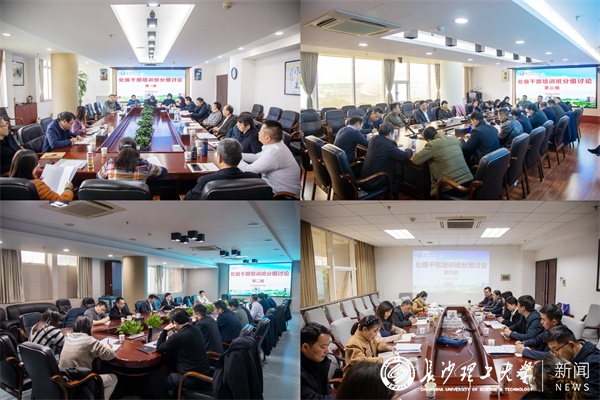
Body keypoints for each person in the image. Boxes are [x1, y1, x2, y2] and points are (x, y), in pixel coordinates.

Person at [151, 309, 212, 399]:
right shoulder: (196, 329)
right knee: (172, 363)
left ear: (175, 323)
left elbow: (159, 348)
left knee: (154, 381)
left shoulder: (178, 336)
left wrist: (164, 331)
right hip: (204, 373)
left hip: (191, 377)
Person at [59, 316, 118, 400]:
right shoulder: (89, 341)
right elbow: (110, 355)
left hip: (64, 378)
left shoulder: (68, 338)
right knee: (113, 378)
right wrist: (108, 347)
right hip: (80, 381)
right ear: (89, 327)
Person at [184, 138, 259, 200]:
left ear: (219, 158)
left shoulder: (206, 181)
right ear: (240, 158)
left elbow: (188, 199)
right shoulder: (255, 179)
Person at [240, 120, 300, 195]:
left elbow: (248, 170)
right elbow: (256, 157)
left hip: (282, 195)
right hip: (272, 187)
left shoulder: (274, 153)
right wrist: (238, 155)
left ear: (267, 138)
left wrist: (231, 158)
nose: (258, 133)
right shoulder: (277, 145)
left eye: (260, 131)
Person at [411, 126, 473, 197]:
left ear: (428, 140)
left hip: (451, 187)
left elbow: (416, 160)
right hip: (469, 181)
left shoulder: (432, 145)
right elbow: (460, 147)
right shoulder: (454, 138)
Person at [360, 122, 413, 198]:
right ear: (390, 134)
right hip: (376, 180)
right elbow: (403, 156)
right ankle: (392, 198)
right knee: (399, 178)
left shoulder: (373, 138)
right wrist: (409, 150)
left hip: (366, 176)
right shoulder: (389, 144)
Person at [546, 325, 600, 399]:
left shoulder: (594, 363)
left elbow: (592, 396)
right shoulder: (572, 352)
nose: (554, 354)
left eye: (555, 350)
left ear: (571, 345)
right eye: (552, 350)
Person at [9, 149, 74, 200]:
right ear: (30, 168)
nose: (38, 166)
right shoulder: (36, 185)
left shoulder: (8, 183)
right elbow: (61, 201)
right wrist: (67, 189)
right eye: (36, 164)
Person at [96, 137, 167, 181]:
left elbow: (98, 177)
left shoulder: (110, 163)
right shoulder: (145, 165)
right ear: (136, 150)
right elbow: (163, 172)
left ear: (119, 151)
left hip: (114, 201)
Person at [300, 322, 334, 399]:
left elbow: (327, 388)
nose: (327, 351)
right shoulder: (298, 375)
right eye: (323, 347)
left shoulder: (319, 362)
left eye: (327, 346)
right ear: (305, 347)